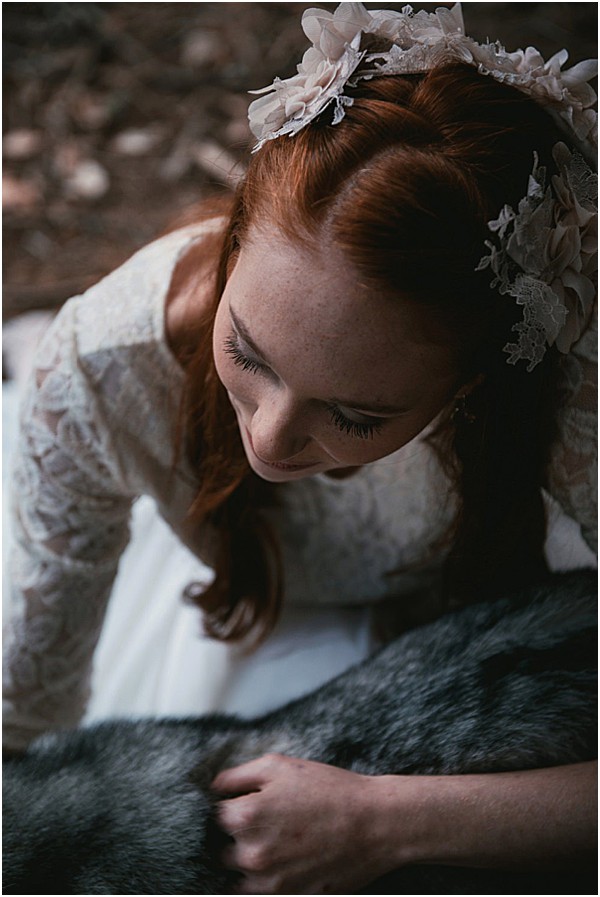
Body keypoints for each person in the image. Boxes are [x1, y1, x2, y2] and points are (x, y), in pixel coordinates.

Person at [3, 2, 597, 893]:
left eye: (354, 416)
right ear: (236, 241)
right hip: (226, 605)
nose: (270, 440)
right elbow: (25, 720)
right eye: (248, 354)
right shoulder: (99, 372)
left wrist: (382, 821)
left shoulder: (573, 388)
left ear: (472, 385)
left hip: (456, 617)